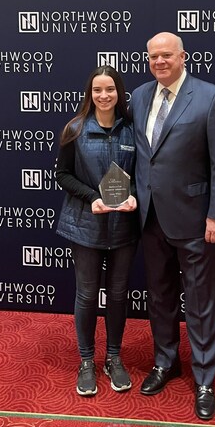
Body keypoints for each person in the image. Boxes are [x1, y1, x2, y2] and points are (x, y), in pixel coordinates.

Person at [129, 32, 215, 420]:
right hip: (149, 216)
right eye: (153, 56)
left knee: (200, 301)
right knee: (159, 296)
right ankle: (165, 361)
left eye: (166, 55)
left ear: (183, 57)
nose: (159, 62)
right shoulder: (140, 96)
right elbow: (143, 157)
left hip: (195, 220)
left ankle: (205, 377)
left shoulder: (211, 98)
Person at [55, 65, 138, 397]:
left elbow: (145, 174)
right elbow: (63, 175)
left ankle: (114, 357)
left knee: (118, 295)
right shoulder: (75, 129)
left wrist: (136, 198)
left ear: (120, 93)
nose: (104, 96)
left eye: (110, 89)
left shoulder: (134, 130)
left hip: (124, 228)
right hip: (85, 225)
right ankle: (87, 360)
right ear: (89, 94)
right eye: (97, 90)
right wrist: (92, 198)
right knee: (87, 295)